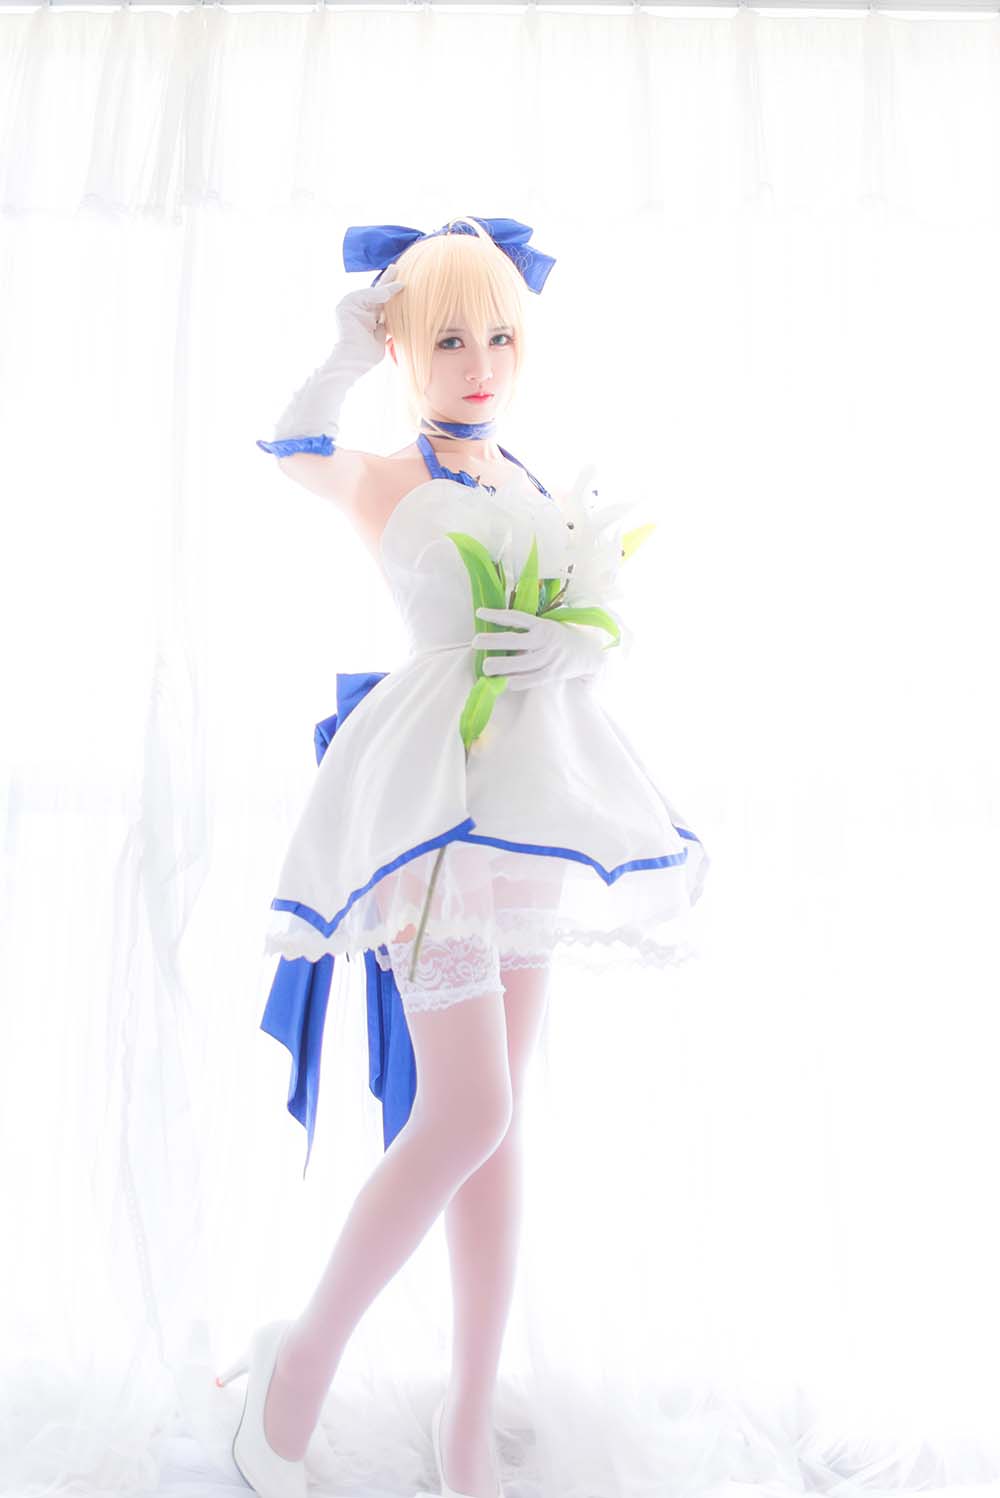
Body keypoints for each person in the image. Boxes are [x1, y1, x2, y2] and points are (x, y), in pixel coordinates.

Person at [215, 216, 710, 1498]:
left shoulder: (532, 481)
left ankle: (466, 1422)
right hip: (429, 809)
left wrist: (581, 645)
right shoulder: (385, 475)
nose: (479, 362)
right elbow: (292, 445)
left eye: (498, 335)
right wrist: (345, 344)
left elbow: (593, 611)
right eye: (446, 339)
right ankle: (295, 1370)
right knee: (468, 1109)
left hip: (528, 808)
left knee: (496, 1123)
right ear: (402, 345)